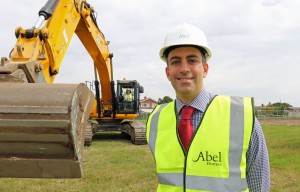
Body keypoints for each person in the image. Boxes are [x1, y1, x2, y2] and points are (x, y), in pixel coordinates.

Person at [146, 23, 270, 192]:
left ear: (204, 69)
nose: (184, 69)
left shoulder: (241, 117)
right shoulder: (155, 120)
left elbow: (259, 184)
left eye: (192, 60)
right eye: (176, 62)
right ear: (168, 72)